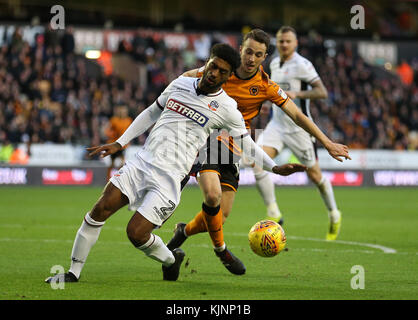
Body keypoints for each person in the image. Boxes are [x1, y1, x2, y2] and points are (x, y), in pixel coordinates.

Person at [45, 43, 306, 284]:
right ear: (207, 63)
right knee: (99, 210)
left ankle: (172, 259)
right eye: (212, 66)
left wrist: (274, 167)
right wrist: (121, 142)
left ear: (228, 78)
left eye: (221, 71)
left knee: (136, 233)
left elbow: (246, 143)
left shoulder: (227, 108)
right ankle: (73, 272)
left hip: (169, 179)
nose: (214, 73)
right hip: (142, 163)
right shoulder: (181, 83)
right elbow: (152, 111)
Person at [166, 29, 351, 273]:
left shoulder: (266, 85)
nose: (251, 58)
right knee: (212, 196)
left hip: (235, 147)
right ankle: (222, 251)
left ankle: (184, 231)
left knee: (219, 218)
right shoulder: (223, 69)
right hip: (208, 139)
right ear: (241, 49)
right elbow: (188, 77)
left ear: (264, 58)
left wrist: (327, 142)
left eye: (258, 54)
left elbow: (297, 114)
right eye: (249, 51)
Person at [254, 26, 342, 240]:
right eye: (281, 41)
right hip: (276, 125)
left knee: (315, 176)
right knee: (257, 161)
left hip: (299, 128)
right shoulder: (274, 62)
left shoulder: (303, 65)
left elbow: (322, 92)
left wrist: (297, 93)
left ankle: (333, 213)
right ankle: (274, 212)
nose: (284, 44)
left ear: (295, 43)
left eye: (288, 41)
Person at [104, 105, 133, 181]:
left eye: (124, 111)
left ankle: (119, 178)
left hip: (122, 146)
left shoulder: (128, 120)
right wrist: (111, 135)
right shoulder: (114, 120)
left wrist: (129, 141)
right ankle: (108, 179)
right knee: (112, 163)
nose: (123, 113)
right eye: (121, 111)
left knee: (122, 163)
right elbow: (108, 131)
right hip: (114, 144)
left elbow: (130, 132)